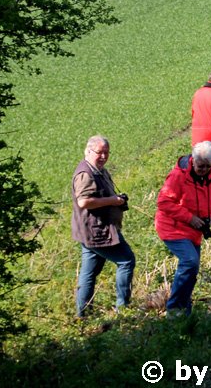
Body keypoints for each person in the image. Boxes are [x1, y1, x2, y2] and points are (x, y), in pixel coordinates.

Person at [155, 141, 211, 317]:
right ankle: (174, 308)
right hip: (172, 227)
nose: (204, 170)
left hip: (195, 230)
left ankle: (185, 312)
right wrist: (190, 218)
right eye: (201, 166)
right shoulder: (178, 176)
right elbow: (163, 202)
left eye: (208, 166)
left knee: (193, 269)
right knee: (190, 261)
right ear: (193, 160)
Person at [71, 135, 135, 317]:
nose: (103, 156)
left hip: (92, 230)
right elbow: (84, 202)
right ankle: (122, 308)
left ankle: (83, 314)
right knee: (126, 261)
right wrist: (113, 201)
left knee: (89, 273)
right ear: (88, 151)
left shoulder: (98, 169)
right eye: (100, 152)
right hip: (97, 231)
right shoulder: (85, 173)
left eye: (106, 152)